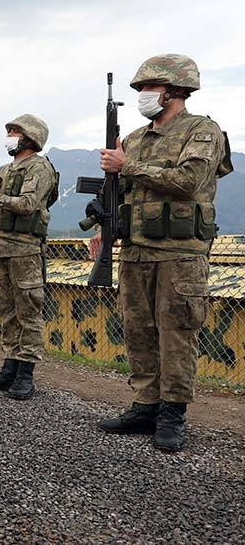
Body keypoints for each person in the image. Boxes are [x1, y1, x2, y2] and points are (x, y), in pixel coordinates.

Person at [94, 54, 230, 451]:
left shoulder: (203, 131)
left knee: (176, 333)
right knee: (138, 330)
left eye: (149, 88)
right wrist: (105, 221)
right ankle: (145, 404)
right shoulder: (135, 138)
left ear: (175, 90)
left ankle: (173, 412)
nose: (143, 95)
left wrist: (128, 166)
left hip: (178, 253)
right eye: (140, 89)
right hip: (136, 251)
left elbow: (189, 181)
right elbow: (125, 193)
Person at [0, 114, 58, 400]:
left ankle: (26, 373)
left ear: (30, 137)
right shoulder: (6, 170)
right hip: (1, 249)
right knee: (7, 311)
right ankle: (9, 366)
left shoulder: (39, 167)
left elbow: (27, 204)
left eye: (14, 131)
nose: (9, 135)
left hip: (25, 251)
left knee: (28, 313)